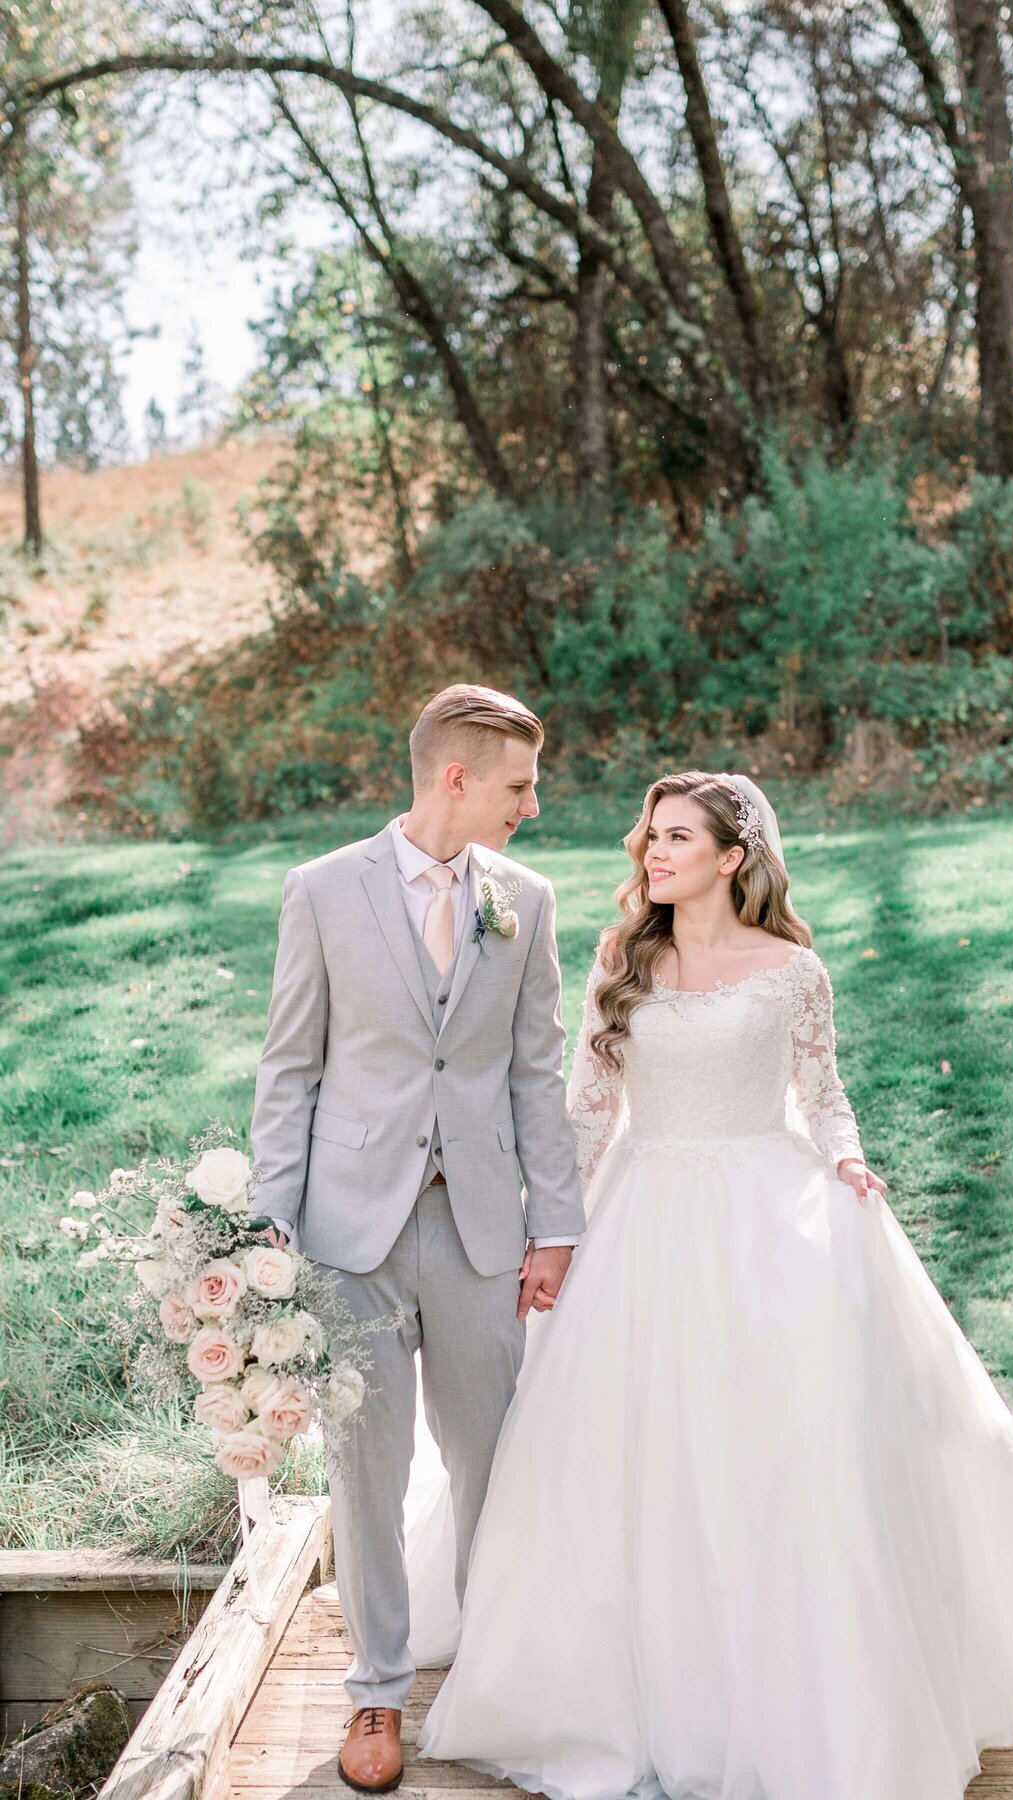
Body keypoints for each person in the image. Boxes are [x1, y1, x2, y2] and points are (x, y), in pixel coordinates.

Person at [415, 769, 1013, 1800]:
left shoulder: (792, 969)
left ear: (731, 858)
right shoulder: (627, 959)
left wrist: (846, 1160)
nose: (653, 854)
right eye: (650, 838)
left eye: (677, 840)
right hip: (640, 1212)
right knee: (630, 1440)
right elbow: (584, 1111)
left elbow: (822, 1096)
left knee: (781, 1439)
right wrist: (554, 1233)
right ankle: (616, 1683)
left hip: (763, 1206)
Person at [249, 684, 585, 1794]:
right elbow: (291, 1066)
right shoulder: (323, 891)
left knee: (494, 1459)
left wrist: (556, 1225)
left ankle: (496, 1677)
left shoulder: (525, 901)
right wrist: (272, 1234)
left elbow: (538, 1070)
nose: (533, 805)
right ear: (458, 777)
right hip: (352, 1231)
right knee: (366, 1465)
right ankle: (378, 1692)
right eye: (520, 784)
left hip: (485, 1228)